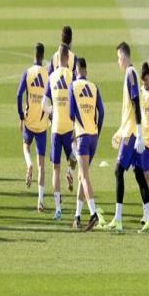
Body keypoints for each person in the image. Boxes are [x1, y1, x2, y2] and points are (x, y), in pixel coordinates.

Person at [107, 43, 149, 233]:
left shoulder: (130, 73)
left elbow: (136, 102)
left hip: (132, 133)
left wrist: (138, 133)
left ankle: (118, 219)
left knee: (118, 170)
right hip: (130, 131)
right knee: (139, 174)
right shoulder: (131, 73)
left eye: (118, 58)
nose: (118, 62)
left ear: (124, 56)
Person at [68, 58, 105, 231]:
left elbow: (70, 113)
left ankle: (92, 213)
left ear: (76, 70)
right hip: (93, 137)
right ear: (86, 70)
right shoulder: (94, 87)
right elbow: (102, 112)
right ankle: (77, 216)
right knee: (83, 176)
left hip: (82, 137)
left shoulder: (73, 86)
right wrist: (97, 130)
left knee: (84, 177)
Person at [42, 44, 75, 221]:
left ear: (57, 59)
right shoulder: (72, 75)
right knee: (75, 158)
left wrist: (52, 112)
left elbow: (43, 105)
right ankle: (70, 171)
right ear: (68, 58)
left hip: (56, 128)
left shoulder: (52, 77)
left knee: (55, 169)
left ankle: (58, 209)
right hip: (70, 127)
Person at [16, 42, 48, 211]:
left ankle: (29, 163)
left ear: (33, 55)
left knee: (25, 146)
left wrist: (21, 116)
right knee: (42, 164)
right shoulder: (48, 74)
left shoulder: (28, 73)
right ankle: (40, 201)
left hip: (29, 120)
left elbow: (18, 95)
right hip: (42, 124)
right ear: (43, 56)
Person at [140, 62, 149, 223]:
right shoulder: (141, 92)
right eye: (143, 81)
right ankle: (146, 212)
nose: (145, 83)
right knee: (145, 177)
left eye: (147, 80)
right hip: (145, 142)